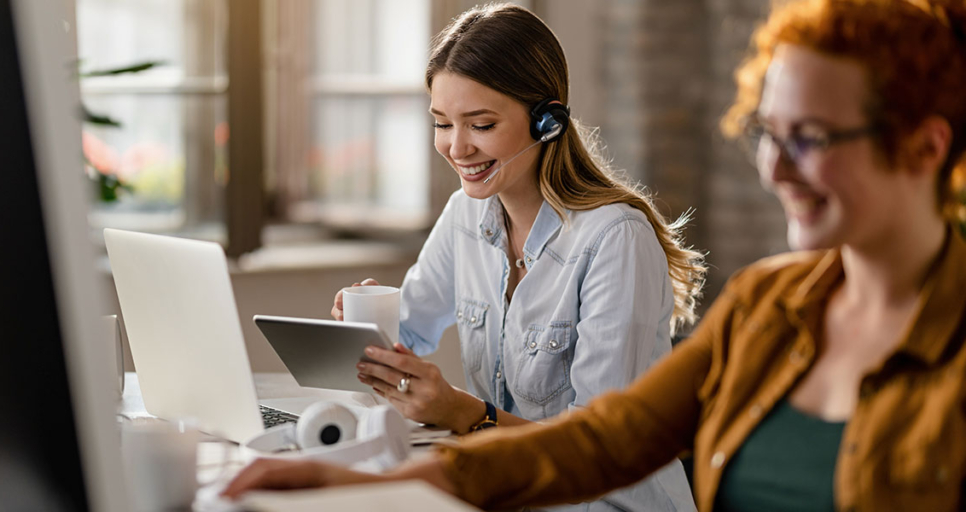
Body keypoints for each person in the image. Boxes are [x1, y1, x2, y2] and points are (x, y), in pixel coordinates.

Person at [223, 0, 966, 510]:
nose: (773, 169)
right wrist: (345, 481)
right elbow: (602, 441)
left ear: (925, 146)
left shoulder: (613, 237)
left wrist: (453, 418)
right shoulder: (768, 305)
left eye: (811, 138)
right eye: (765, 133)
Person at [329, 3, 705, 511]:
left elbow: (599, 451)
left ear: (546, 121)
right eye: (442, 123)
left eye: (480, 125)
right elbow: (407, 333)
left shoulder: (616, 239)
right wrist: (365, 328)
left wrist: (464, 413)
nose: (456, 147)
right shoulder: (466, 214)